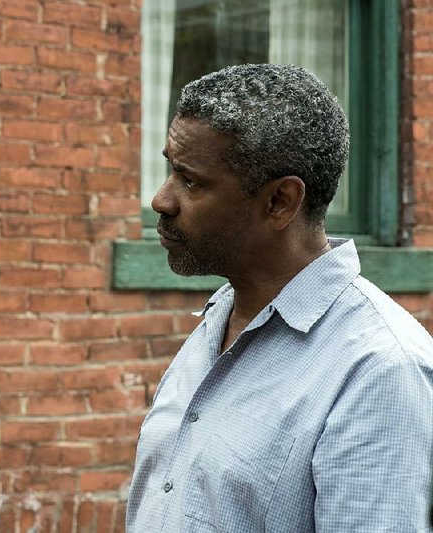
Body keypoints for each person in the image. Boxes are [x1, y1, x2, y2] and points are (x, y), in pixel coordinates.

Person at [127, 63, 433, 532]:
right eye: (171, 169)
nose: (162, 200)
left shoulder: (379, 368)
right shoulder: (218, 321)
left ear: (280, 202)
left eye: (190, 181)